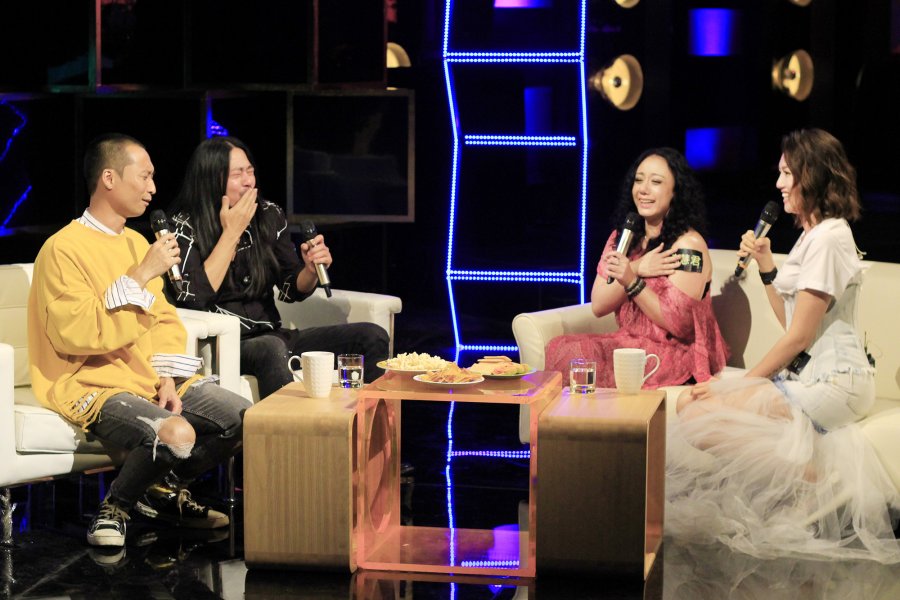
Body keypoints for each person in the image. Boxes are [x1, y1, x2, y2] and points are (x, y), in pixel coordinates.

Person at [668, 128, 900, 563]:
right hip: (811, 375)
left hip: (837, 380)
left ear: (812, 175)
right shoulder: (813, 236)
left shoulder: (830, 237)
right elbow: (790, 322)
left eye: (787, 173)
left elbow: (799, 337)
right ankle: (801, 478)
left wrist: (739, 386)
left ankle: (811, 479)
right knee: (690, 406)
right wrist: (767, 266)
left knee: (700, 411)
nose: (778, 183)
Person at [28, 133, 250, 548]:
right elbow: (77, 332)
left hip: (146, 376)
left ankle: (160, 492)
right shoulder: (62, 249)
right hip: (92, 381)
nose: (152, 188)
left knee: (246, 419)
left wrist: (167, 376)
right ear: (109, 178)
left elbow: (162, 320)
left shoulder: (134, 242)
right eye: (144, 177)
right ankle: (115, 507)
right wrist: (141, 273)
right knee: (176, 434)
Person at [166, 136, 389, 399]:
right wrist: (232, 233)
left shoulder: (268, 215)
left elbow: (290, 288)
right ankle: (287, 426)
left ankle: (362, 421)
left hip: (273, 335)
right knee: (271, 349)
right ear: (211, 180)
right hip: (226, 345)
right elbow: (194, 297)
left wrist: (309, 270)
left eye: (250, 171)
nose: (249, 181)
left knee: (371, 336)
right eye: (237, 174)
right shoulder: (184, 226)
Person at [544, 147, 728, 387]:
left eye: (656, 182)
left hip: (676, 353)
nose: (643, 189)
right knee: (563, 347)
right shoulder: (621, 238)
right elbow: (598, 305)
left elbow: (680, 325)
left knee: (582, 356)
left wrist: (632, 281)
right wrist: (638, 267)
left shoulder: (688, 245)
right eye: (639, 180)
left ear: (676, 191)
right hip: (630, 344)